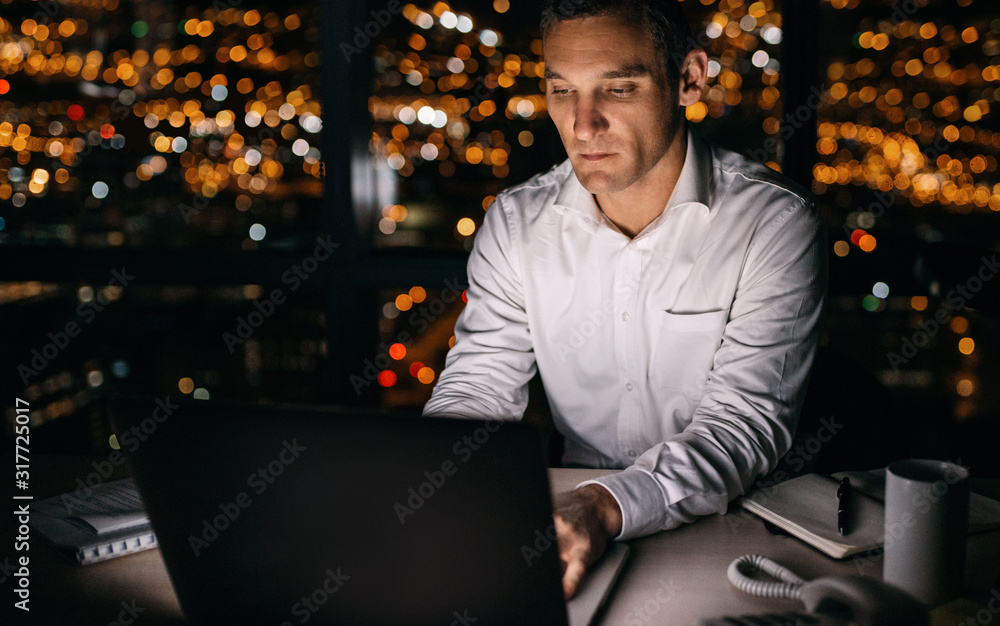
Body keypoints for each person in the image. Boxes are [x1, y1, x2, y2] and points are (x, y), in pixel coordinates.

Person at [422, 0, 827, 599]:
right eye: (563, 91)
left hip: (733, 527)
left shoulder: (772, 222)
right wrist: (435, 484)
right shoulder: (514, 224)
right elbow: (478, 387)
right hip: (567, 522)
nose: (583, 126)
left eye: (616, 88)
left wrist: (602, 504)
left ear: (689, 78)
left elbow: (741, 425)